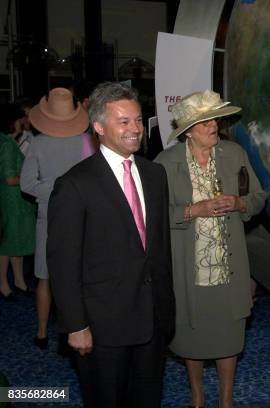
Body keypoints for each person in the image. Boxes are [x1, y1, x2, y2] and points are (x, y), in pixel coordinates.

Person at [47, 82, 175, 407]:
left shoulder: (155, 174)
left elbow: (159, 249)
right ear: (99, 127)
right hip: (104, 328)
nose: (135, 129)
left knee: (147, 399)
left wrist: (167, 308)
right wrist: (76, 326)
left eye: (138, 120)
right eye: (124, 121)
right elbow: (63, 265)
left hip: (153, 321)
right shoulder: (75, 185)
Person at [155, 90, 266, 408]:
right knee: (192, 334)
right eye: (205, 122)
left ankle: (226, 400)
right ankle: (198, 398)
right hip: (188, 266)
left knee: (229, 334)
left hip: (228, 264)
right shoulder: (165, 162)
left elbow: (259, 197)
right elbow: (152, 214)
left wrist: (239, 202)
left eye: (214, 119)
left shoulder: (234, 154)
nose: (213, 125)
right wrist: (193, 210)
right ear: (188, 130)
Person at [20, 87, 95, 349]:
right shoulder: (88, 142)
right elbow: (95, 181)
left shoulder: (37, 143)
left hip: (48, 215)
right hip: (82, 215)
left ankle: (42, 333)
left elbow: (26, 184)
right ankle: (72, 331)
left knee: (45, 277)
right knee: (78, 276)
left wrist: (53, 190)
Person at [0, 104, 36, 300]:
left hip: (15, 200)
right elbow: (8, 178)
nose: (24, 122)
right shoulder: (6, 144)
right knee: (7, 244)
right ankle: (4, 285)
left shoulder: (8, 142)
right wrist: (32, 179)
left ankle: (19, 281)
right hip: (11, 200)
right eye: (21, 118)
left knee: (16, 241)